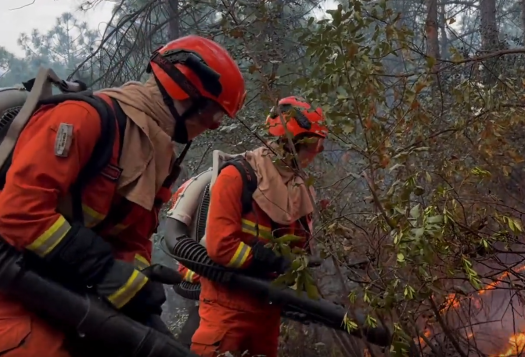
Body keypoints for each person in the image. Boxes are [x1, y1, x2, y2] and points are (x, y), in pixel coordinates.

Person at [0, 34, 246, 357]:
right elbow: (17, 213)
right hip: (14, 291)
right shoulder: (85, 119)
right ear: (184, 95)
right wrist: (102, 270)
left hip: (67, 295)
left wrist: (138, 288)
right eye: (213, 116)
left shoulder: (152, 154)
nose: (212, 127)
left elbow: (131, 238)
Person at [190, 96, 327, 357]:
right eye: (311, 144)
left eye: (319, 145)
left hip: (267, 311)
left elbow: (299, 250)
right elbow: (220, 247)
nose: (315, 152)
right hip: (226, 308)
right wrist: (265, 259)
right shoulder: (238, 176)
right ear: (290, 143)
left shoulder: (299, 190)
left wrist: (297, 285)